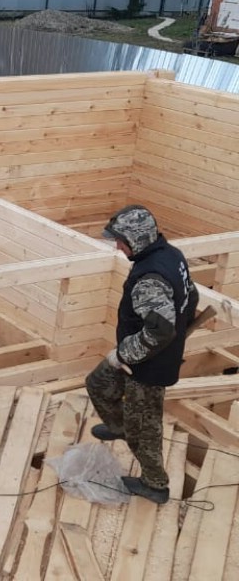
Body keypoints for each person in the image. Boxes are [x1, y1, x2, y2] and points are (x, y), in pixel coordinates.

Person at [86, 205, 199, 504]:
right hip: (146, 355)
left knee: (145, 429)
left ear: (137, 240)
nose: (117, 247)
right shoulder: (171, 255)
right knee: (97, 384)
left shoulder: (150, 278)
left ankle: (154, 484)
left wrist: (123, 355)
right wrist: (181, 323)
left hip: (149, 366)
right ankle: (120, 426)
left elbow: (160, 332)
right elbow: (192, 295)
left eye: (121, 241)